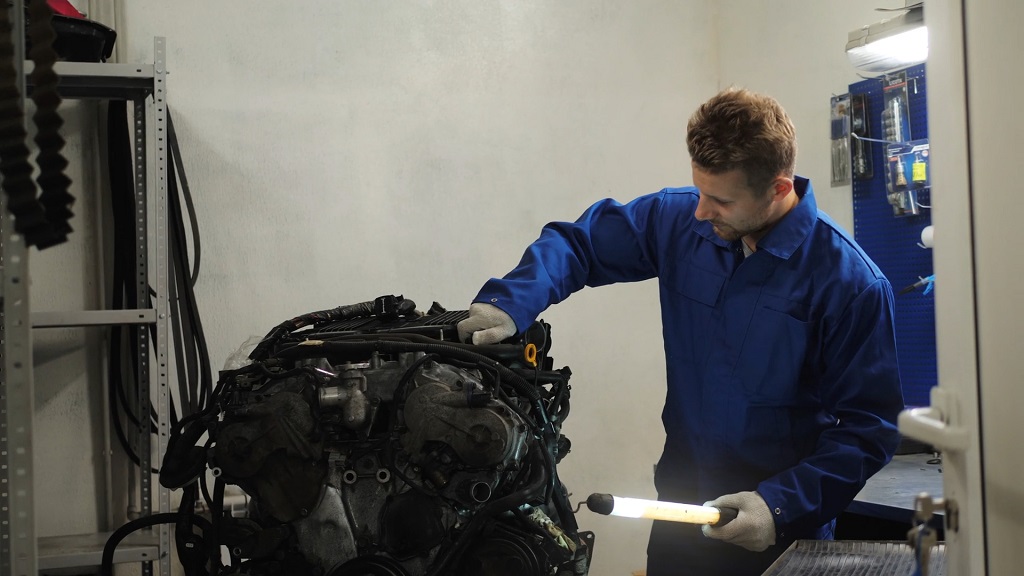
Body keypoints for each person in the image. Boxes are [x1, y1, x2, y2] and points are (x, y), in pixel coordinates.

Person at [456, 88, 905, 575]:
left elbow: (868, 430)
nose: (701, 212)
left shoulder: (850, 284)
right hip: (679, 510)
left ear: (778, 188)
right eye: (700, 190)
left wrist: (779, 507)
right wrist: (510, 302)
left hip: (776, 530)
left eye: (720, 199)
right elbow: (579, 244)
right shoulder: (678, 223)